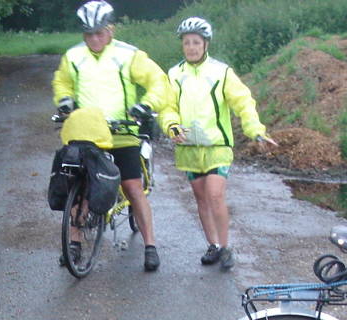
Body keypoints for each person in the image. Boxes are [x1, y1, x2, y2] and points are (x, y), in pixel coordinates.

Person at [52, 0, 170, 272]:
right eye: (89, 34)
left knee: (132, 187)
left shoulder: (128, 55)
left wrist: (146, 105)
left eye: (99, 33)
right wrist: (64, 99)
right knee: (77, 185)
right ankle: (74, 243)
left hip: (122, 132)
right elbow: (62, 82)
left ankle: (150, 245)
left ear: (111, 30)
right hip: (88, 131)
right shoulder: (73, 56)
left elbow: (158, 81)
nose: (94, 39)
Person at [159, 17, 278, 270]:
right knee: (201, 198)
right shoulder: (174, 74)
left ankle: (225, 247)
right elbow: (167, 107)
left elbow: (243, 102)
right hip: (189, 148)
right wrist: (171, 126)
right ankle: (212, 245)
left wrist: (255, 130)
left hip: (217, 146)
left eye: (196, 42)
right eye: (187, 42)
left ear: (206, 44)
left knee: (215, 195)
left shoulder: (221, 72)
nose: (191, 47)